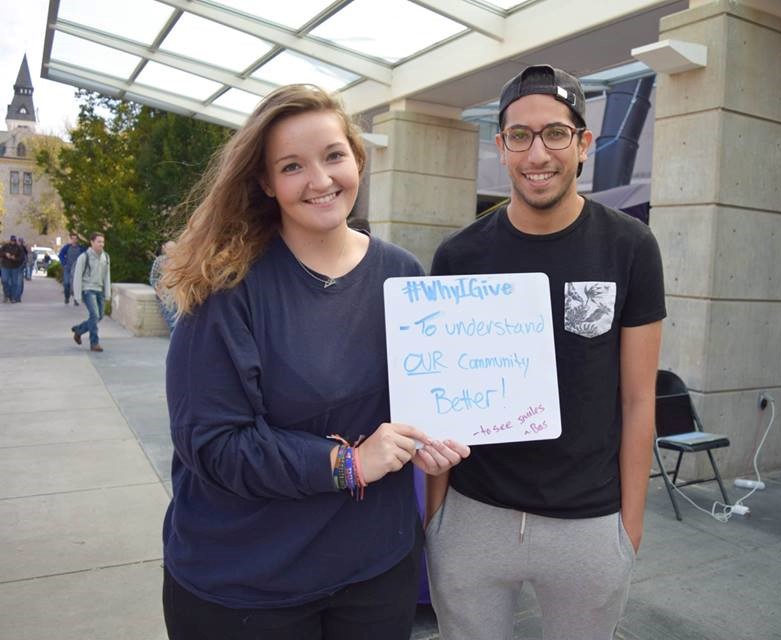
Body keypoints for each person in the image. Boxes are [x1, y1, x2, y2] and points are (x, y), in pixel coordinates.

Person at [159, 84, 469, 640]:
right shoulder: (227, 285)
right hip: (248, 584)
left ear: (358, 157)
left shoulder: (402, 274)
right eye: (293, 166)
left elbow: (423, 397)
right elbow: (211, 442)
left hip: (375, 573)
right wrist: (347, 463)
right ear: (265, 182)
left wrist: (436, 436)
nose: (321, 180)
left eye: (333, 156)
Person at [425, 64, 666, 640]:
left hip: (588, 522)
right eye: (520, 135)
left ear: (583, 145)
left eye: (556, 133)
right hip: (474, 516)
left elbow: (638, 400)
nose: (539, 153)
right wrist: (436, 516)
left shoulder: (629, 247)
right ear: (502, 147)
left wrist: (627, 527)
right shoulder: (459, 256)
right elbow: (441, 398)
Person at [70, 232, 111, 352]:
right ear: (92, 242)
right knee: (95, 315)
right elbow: (77, 277)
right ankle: (94, 343)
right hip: (88, 289)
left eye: (103, 242)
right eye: (99, 241)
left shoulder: (106, 257)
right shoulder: (84, 257)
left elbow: (107, 276)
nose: (101, 244)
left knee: (100, 316)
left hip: (100, 290)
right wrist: (77, 296)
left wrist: (107, 293)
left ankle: (79, 330)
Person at [148, 240, 177, 333]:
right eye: (169, 248)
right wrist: (159, 292)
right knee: (171, 319)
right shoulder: (160, 260)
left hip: (177, 295)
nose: (171, 251)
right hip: (164, 295)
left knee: (176, 320)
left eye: (173, 249)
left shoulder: (180, 261)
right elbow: (153, 278)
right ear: (164, 248)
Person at [59, 233, 85, 305]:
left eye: (75, 238)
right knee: (67, 283)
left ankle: (76, 299)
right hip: (68, 268)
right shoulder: (66, 247)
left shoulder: (81, 248)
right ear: (70, 239)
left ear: (77, 240)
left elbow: (85, 256)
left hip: (77, 269)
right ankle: (67, 297)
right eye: (72, 238)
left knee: (76, 284)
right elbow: (61, 255)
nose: (74, 240)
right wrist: (64, 263)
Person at [1, 235, 26, 303]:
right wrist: (5, 254)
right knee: (4, 280)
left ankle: (12, 297)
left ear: (15, 241)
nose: (13, 242)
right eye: (12, 240)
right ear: (10, 240)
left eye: (14, 240)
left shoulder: (18, 248)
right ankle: (7, 294)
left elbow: (22, 257)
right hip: (5, 266)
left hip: (14, 267)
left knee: (14, 283)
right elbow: (0, 252)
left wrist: (15, 258)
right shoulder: (5, 246)